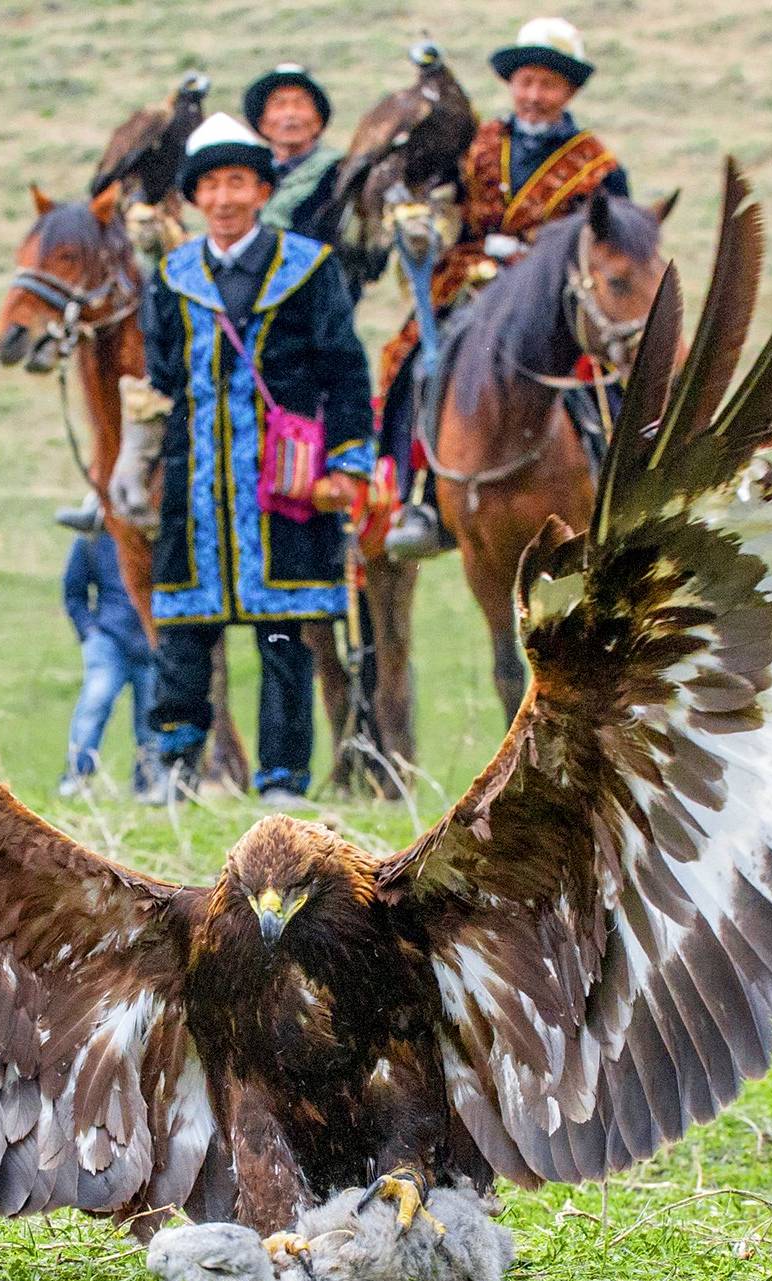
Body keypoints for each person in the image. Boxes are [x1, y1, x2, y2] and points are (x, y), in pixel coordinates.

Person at [141, 114, 373, 806]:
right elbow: (163, 377)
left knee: (282, 635)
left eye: (237, 181)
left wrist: (348, 462)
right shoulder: (171, 276)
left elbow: (346, 372)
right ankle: (177, 769)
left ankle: (282, 779)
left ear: (262, 188)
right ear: (194, 198)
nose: (223, 198)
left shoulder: (309, 268)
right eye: (209, 185)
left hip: (285, 490)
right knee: (183, 632)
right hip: (196, 488)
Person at [383, 16, 630, 559]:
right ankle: (417, 496)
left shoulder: (600, 167)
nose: (535, 95)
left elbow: (615, 242)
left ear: (568, 90)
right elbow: (448, 208)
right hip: (473, 280)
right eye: (526, 82)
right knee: (414, 365)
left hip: (557, 296)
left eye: (548, 84)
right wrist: (427, 229)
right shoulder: (478, 144)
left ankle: (625, 487)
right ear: (512, 85)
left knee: (607, 374)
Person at [59, 528, 157, 798]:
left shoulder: (154, 535)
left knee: (151, 716)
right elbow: (73, 591)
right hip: (108, 640)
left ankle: (147, 784)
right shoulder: (92, 538)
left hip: (151, 641)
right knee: (95, 703)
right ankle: (77, 778)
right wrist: (89, 632)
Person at [245, 64, 344, 244]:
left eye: (301, 104)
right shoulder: (248, 175)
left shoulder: (340, 174)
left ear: (318, 121)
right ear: (262, 123)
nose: (290, 114)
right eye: (279, 105)